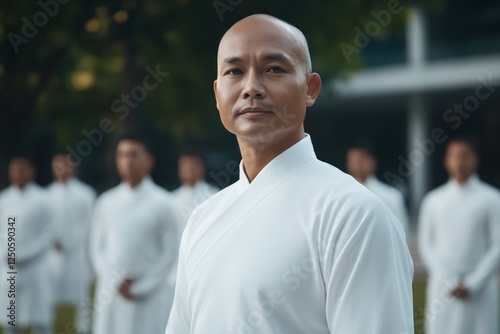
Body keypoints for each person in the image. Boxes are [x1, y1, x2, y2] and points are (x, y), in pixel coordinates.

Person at [166, 14, 414, 334]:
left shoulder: (353, 214)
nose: (251, 87)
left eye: (274, 69)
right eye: (235, 71)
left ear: (310, 88)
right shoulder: (203, 219)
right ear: (217, 94)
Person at [90, 134, 183, 334]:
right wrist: (114, 281)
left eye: (133, 154)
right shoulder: (106, 202)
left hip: (151, 294)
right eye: (122, 155)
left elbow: (171, 254)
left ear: (149, 160)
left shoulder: (164, 204)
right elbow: (97, 249)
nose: (127, 161)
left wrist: (142, 287)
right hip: (111, 291)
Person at [418, 136, 500, 334]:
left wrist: (473, 282)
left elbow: (498, 244)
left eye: (465, 156)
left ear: (475, 160)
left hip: (480, 287)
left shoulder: (492, 199)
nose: (459, 162)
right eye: (454, 156)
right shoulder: (433, 200)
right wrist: (448, 280)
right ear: (446, 160)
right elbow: (426, 244)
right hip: (443, 287)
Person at [0, 155, 55, 334]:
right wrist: (6, 254)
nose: (17, 173)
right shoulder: (4, 199)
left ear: (32, 172)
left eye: (22, 169)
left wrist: (23, 255)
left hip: (36, 268)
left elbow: (49, 233)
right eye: (14, 169)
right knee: (11, 316)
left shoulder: (43, 199)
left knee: (39, 317)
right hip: (9, 267)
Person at [47, 153, 96, 333]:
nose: (61, 170)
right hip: (52, 253)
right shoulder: (48, 194)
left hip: (78, 253)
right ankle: (45, 326)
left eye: (65, 165)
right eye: (57, 166)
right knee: (48, 293)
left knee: (81, 295)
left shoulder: (86, 194)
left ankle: (84, 329)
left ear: (74, 167)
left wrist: (68, 242)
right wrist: (52, 241)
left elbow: (89, 224)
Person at [346, 141, 410, 236]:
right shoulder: (344, 195)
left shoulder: (391, 196)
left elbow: (402, 233)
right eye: (352, 161)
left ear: (372, 162)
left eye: (360, 160)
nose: (357, 165)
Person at [171, 150, 219, 224]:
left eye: (193, 165)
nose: (189, 168)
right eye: (184, 165)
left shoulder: (215, 195)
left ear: (202, 167)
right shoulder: (172, 199)